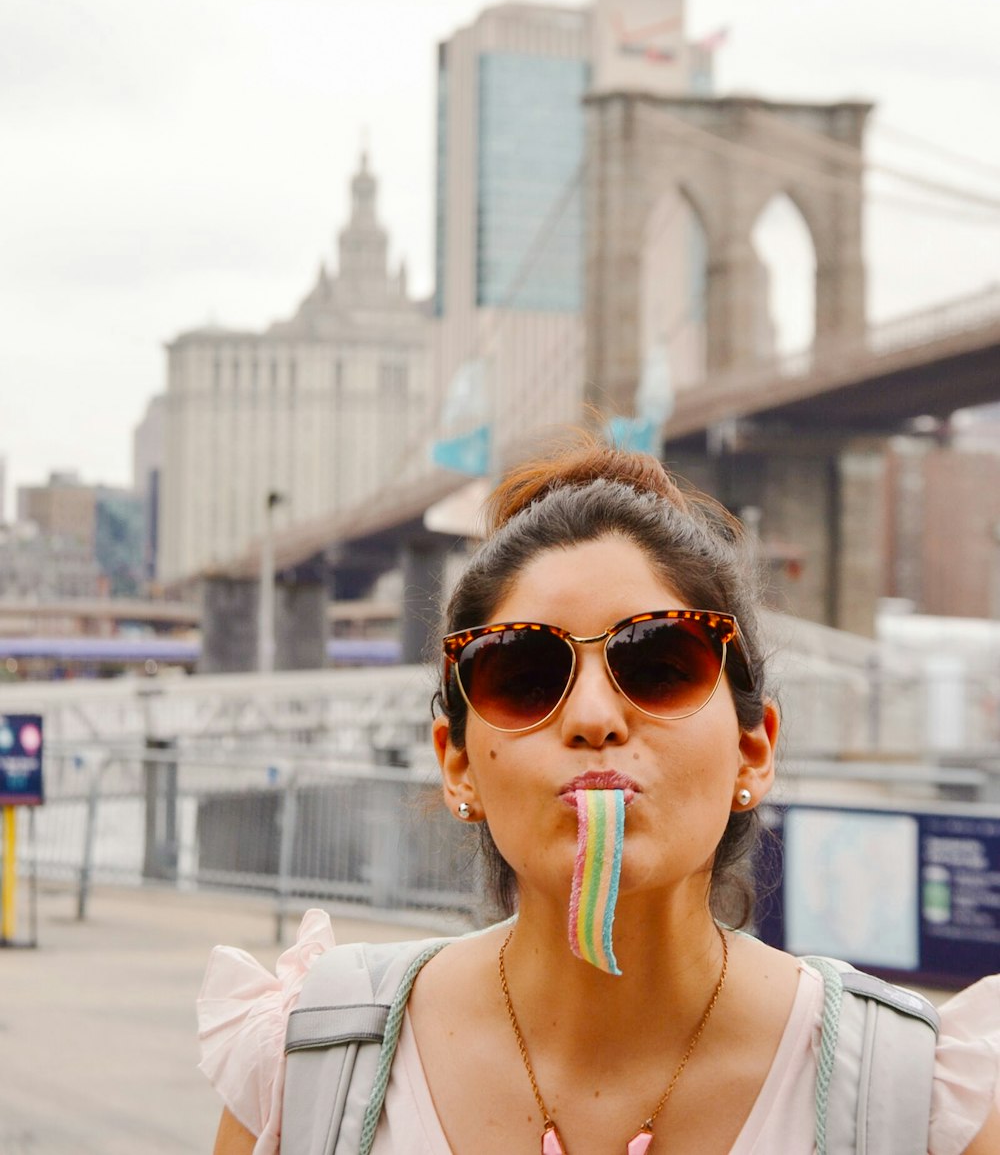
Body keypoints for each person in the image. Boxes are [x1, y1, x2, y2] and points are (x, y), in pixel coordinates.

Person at [199, 437, 1000, 1154]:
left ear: (754, 750)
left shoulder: (921, 1103)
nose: (592, 717)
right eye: (522, 674)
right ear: (457, 765)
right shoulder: (309, 1070)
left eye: (658, 662)